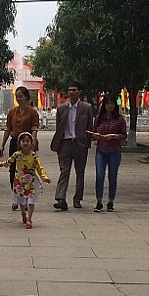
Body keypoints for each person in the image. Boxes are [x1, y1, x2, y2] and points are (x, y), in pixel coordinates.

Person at [50, 81, 93, 211]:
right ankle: (60, 198)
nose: (71, 92)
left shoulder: (87, 107)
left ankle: (77, 199)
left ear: (79, 92)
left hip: (80, 144)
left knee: (80, 172)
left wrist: (87, 143)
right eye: (69, 90)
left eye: (74, 90)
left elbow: (89, 126)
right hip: (65, 143)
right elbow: (59, 127)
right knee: (64, 171)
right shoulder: (61, 108)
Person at [0, 86, 39, 211]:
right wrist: (2, 144)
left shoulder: (32, 112)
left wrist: (32, 143)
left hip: (27, 143)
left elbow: (34, 128)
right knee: (13, 171)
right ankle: (16, 198)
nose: (18, 98)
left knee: (27, 171)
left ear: (26, 97)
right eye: (17, 96)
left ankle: (26, 199)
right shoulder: (12, 112)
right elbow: (8, 129)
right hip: (15, 143)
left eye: (21, 96)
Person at [0, 132, 51, 229]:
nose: (25, 143)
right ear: (19, 143)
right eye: (23, 141)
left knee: (31, 201)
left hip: (31, 181)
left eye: (27, 141)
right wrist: (2, 163)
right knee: (21, 200)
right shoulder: (17, 154)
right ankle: (23, 214)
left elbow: (39, 168)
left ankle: (29, 219)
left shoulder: (34, 156)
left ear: (31, 143)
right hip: (20, 181)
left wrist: (44, 177)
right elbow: (9, 161)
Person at [90, 93, 127, 212]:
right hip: (101, 150)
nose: (109, 106)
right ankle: (99, 201)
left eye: (112, 104)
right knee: (99, 176)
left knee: (112, 176)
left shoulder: (120, 119)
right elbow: (94, 132)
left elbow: (124, 135)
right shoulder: (99, 118)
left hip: (114, 151)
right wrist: (95, 135)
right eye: (107, 104)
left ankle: (111, 201)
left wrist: (114, 136)